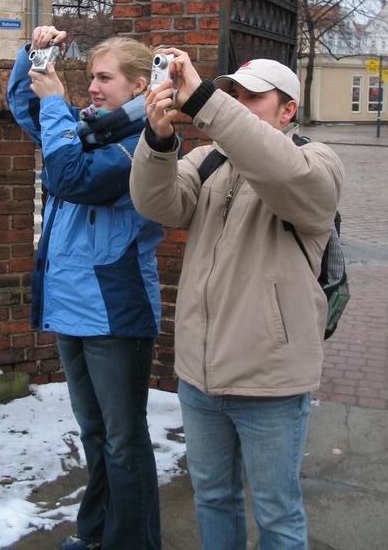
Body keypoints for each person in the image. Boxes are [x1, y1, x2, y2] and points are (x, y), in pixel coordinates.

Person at [130, 52, 344, 550]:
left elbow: (283, 174)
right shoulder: (210, 161)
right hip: (200, 375)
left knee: (277, 514)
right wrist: (157, 141)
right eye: (234, 94)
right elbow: (156, 203)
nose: (238, 103)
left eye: (252, 96)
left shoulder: (317, 162)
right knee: (212, 498)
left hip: (269, 380)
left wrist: (207, 101)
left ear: (288, 110)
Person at [7, 26, 163, 550]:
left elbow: (71, 177)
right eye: (91, 76)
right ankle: (97, 533)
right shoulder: (89, 129)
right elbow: (25, 108)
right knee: (97, 435)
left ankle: (132, 542)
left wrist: (57, 106)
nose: (92, 87)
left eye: (104, 78)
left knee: (123, 441)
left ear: (139, 86)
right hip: (73, 308)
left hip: (115, 314)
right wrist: (36, 56)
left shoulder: (141, 145)